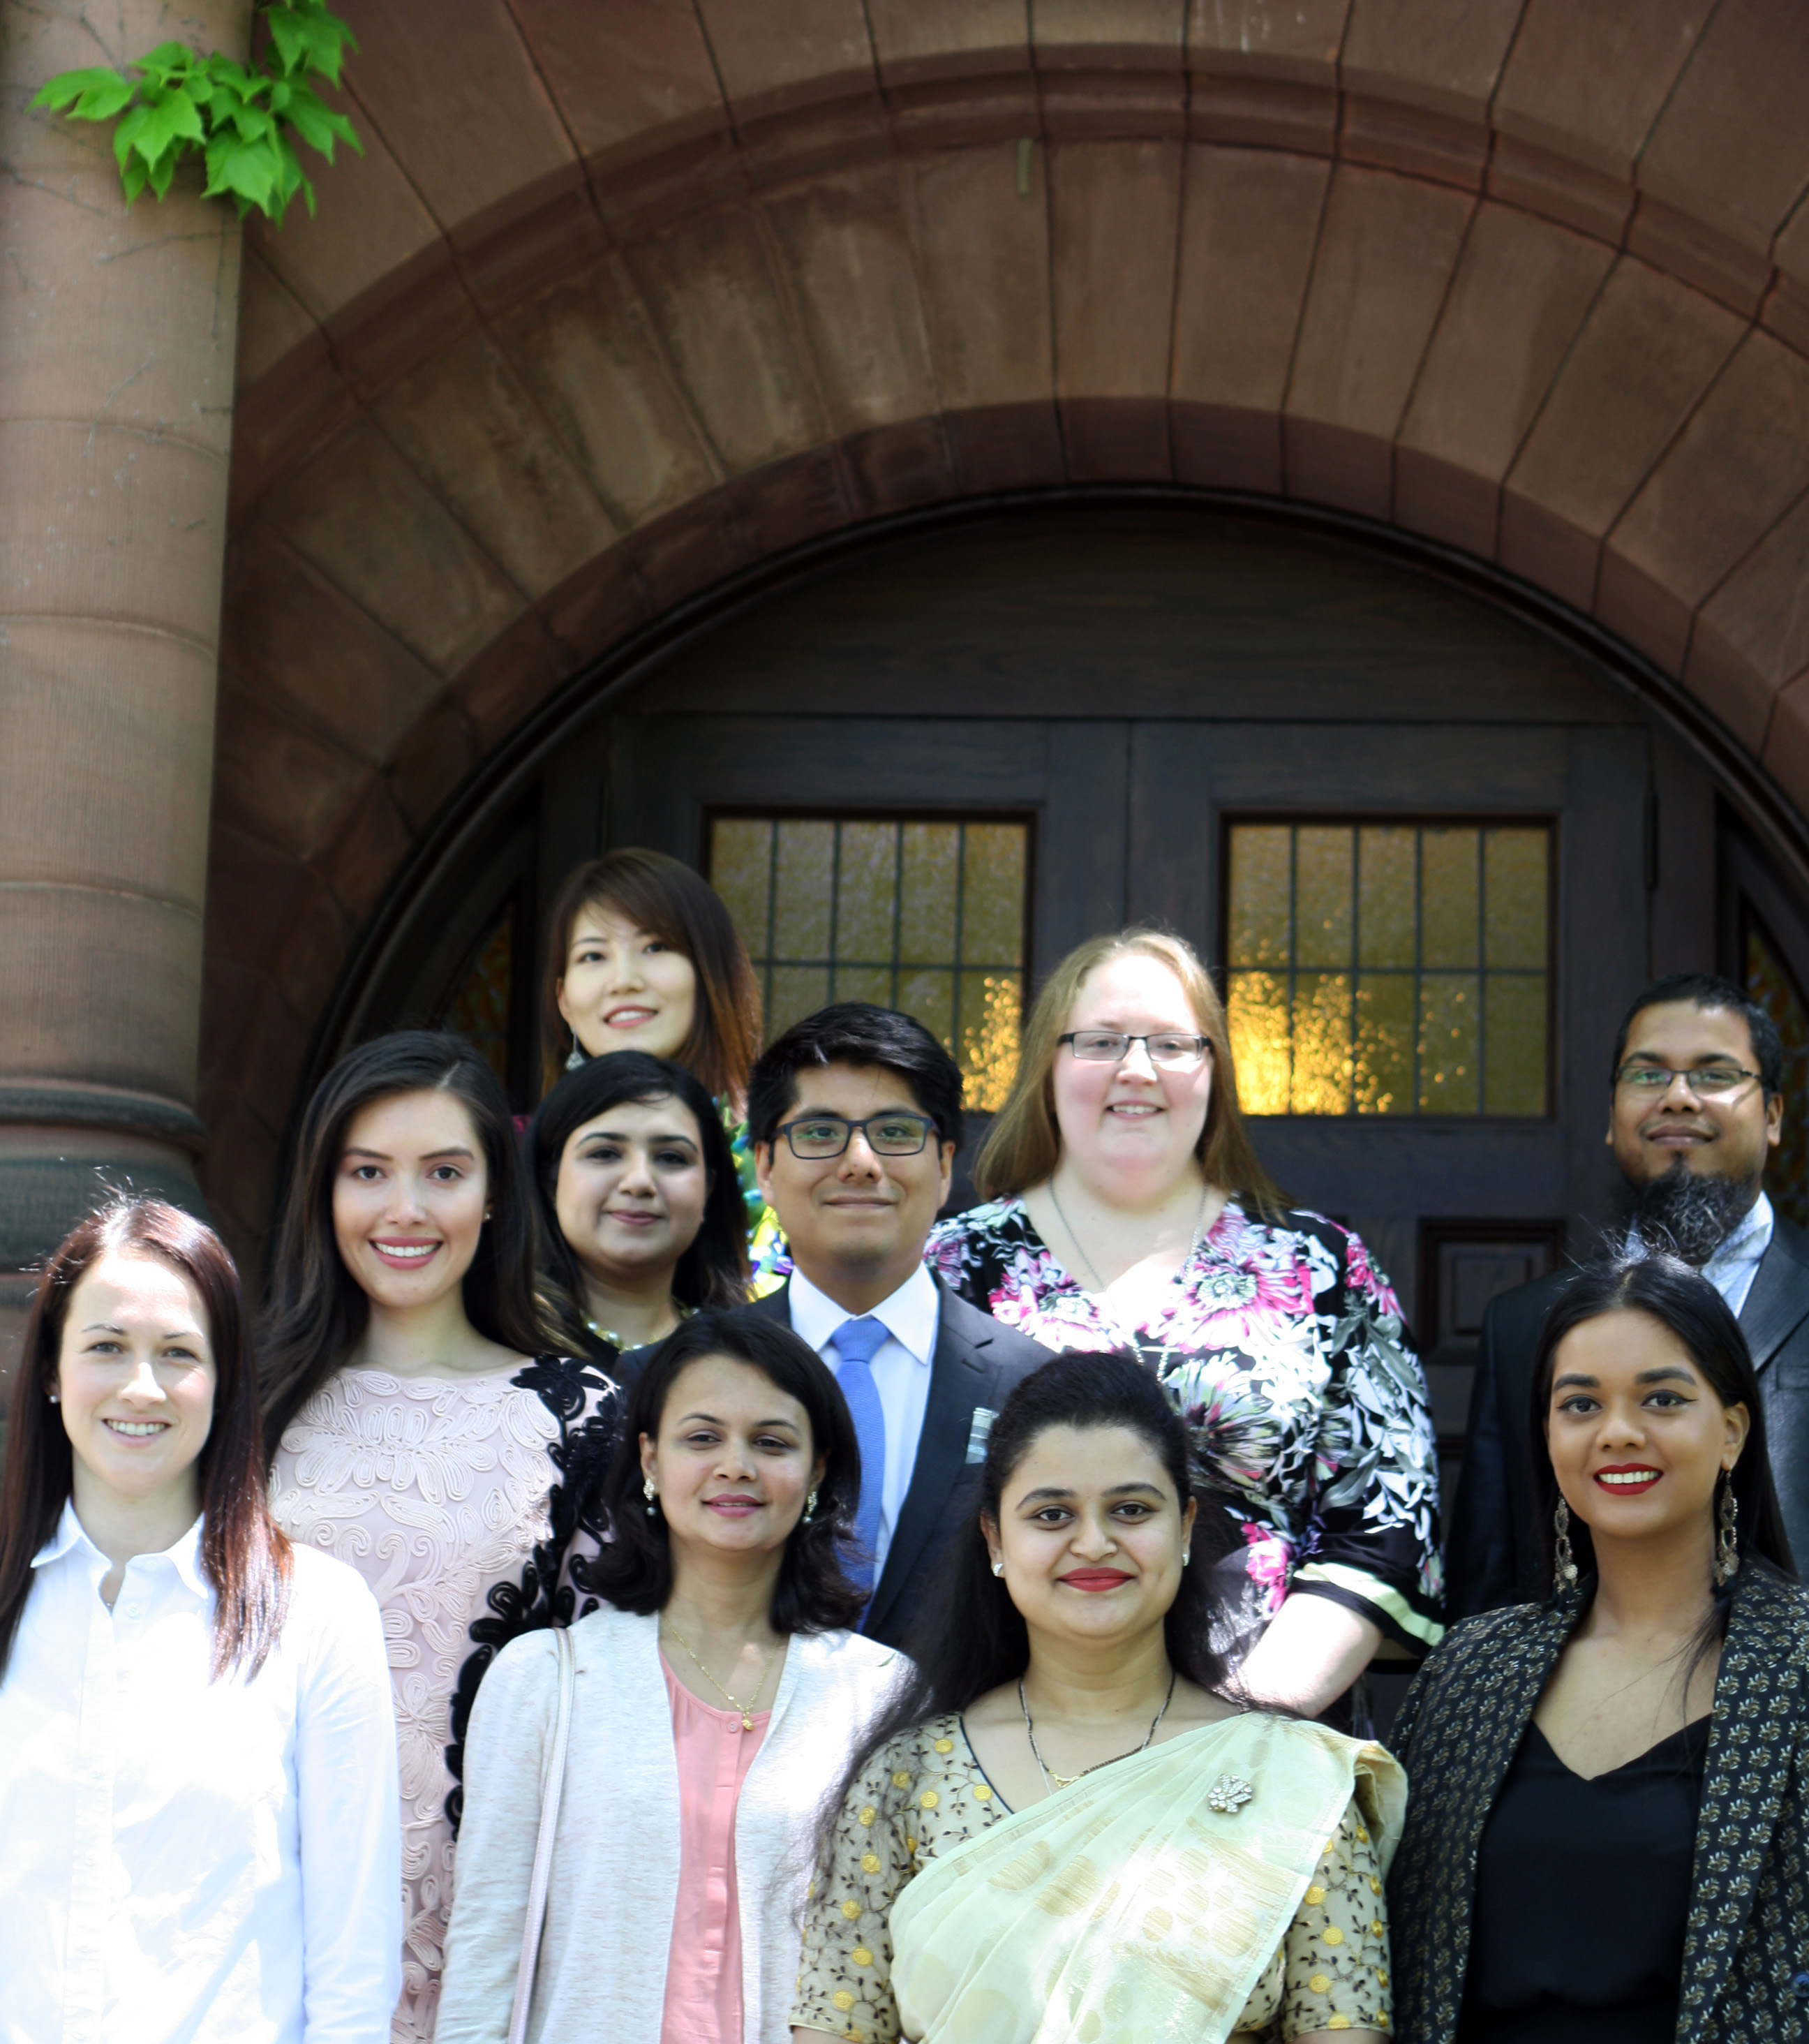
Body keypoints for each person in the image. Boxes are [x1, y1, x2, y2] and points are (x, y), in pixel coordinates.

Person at [793, 1349, 1404, 2044]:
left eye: (1131, 1509)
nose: (1093, 1542)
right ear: (995, 1538)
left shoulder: (1294, 1782)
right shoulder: (907, 1779)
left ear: (1183, 1527)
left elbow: (1342, 2031)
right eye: (1052, 1514)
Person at [927, 927, 1442, 1715]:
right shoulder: (951, 1268)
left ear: (1213, 1070)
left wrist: (1243, 1715)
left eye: (1171, 1043)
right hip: (1005, 1723)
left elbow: (1384, 1523)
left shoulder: (1323, 1267)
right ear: (1048, 1066)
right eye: (1100, 1041)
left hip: (1266, 1738)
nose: (1136, 1069)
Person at [261, 1031, 622, 2043]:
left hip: (495, 1919)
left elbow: (604, 1697)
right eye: (367, 1173)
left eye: (444, 1173)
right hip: (272, 1898)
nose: (405, 1210)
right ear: (322, 1192)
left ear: (495, 1196)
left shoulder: (580, 1413)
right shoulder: (246, 1407)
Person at [437, 1310, 906, 2044]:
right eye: (703, 1437)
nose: (736, 1466)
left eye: (772, 1442)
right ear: (650, 1462)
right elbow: (484, 1958)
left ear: (816, 1471)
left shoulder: (878, 1694)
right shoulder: (547, 1680)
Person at [0, 1195, 401, 2043]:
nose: (141, 1387)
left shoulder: (317, 1615)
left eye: (178, 1353)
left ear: (223, 1381)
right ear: (50, 1370)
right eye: (106, 1347)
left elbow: (352, 1964)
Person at [1388, 1254, 1806, 2044]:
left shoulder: (1798, 1668)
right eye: (1580, 1404)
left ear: (1731, 1433)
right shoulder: (1469, 1672)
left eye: (1661, 1398)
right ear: (1546, 1435)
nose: (1618, 1432)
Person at [1449, 970, 1809, 1617]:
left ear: (1774, 1115)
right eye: (1647, 1076)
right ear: (1613, 1118)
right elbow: (1489, 1584)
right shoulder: (1523, 1326)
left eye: (1713, 1074)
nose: (1677, 1097)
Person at [738, 1002, 1048, 1652]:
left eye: (896, 1132)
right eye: (820, 1133)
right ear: (765, 1167)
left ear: (943, 1167)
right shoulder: (677, 1376)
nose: (860, 1162)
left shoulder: (1034, 1386)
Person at [540, 848, 787, 1294]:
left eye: (655, 947)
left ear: (711, 974)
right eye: (593, 957)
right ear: (564, 1001)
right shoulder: (514, 1158)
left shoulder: (787, 1159)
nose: (624, 980)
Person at [529, 1051, 750, 1378]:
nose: (639, 1182)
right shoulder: (496, 1344)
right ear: (551, 1181)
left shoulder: (749, 1360)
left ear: (709, 1188)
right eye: (604, 1153)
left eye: (672, 1158)